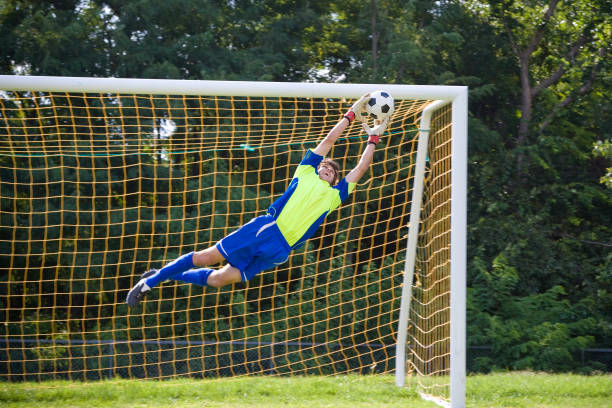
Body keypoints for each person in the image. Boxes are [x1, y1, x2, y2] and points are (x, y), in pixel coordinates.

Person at [126, 93, 390, 308]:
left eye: (332, 171)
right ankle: (148, 284)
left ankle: (163, 275)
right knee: (207, 257)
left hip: (282, 249)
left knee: (220, 279)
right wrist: (351, 114)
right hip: (266, 228)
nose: (327, 169)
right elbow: (330, 140)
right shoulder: (305, 173)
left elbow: (361, 168)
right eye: (324, 166)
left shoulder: (335, 196)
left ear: (334, 180)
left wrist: (373, 138)